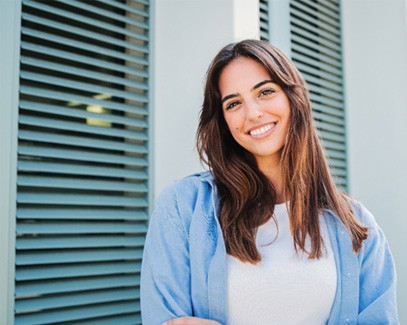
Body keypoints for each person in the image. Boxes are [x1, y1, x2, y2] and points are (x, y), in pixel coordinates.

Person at [140, 40, 398, 324]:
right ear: (223, 120)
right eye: (234, 103)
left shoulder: (357, 226)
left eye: (265, 92)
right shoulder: (182, 207)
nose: (252, 113)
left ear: (293, 98)